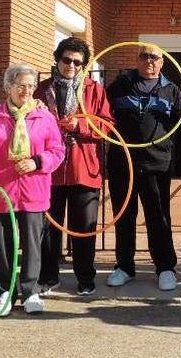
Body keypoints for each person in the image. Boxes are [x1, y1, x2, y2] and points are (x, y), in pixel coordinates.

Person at [105, 45, 181, 291]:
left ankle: (165, 268)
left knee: (159, 216)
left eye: (154, 57)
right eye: (144, 56)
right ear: (137, 59)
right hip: (123, 162)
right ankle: (124, 266)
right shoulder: (120, 85)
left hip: (157, 162)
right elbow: (101, 115)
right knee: (124, 216)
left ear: (162, 62)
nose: (149, 60)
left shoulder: (173, 90)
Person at [0, 64, 66, 316]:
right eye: (21, 85)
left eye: (31, 86)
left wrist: (37, 162)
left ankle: (31, 291)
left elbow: (58, 151)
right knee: (4, 247)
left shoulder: (45, 117)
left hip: (34, 190)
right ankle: (5, 292)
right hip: (1, 191)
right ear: (8, 87)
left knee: (32, 245)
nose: (26, 91)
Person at [37, 37, 113, 296]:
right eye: (66, 60)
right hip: (50, 169)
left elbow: (107, 126)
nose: (71, 65)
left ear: (84, 65)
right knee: (48, 227)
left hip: (84, 167)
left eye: (77, 62)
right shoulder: (41, 89)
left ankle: (85, 277)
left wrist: (80, 126)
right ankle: (48, 275)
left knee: (84, 226)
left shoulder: (95, 89)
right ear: (57, 59)